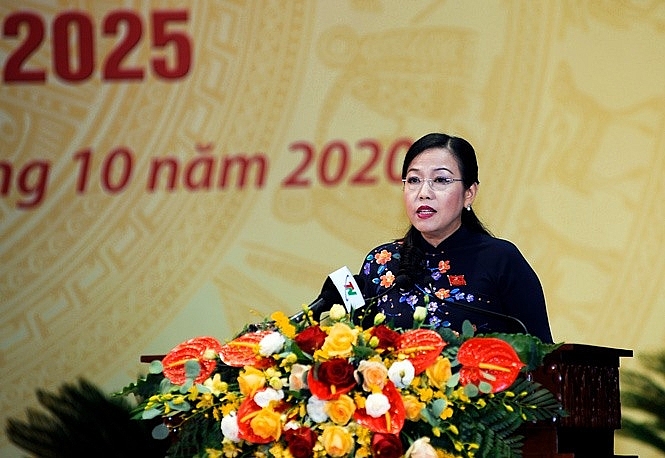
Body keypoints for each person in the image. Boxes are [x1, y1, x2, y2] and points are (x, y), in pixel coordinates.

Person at [357, 132, 553, 343]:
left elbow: (541, 351)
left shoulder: (500, 260)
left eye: (441, 180)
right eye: (414, 180)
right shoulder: (381, 262)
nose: (424, 193)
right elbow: (356, 348)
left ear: (469, 193)